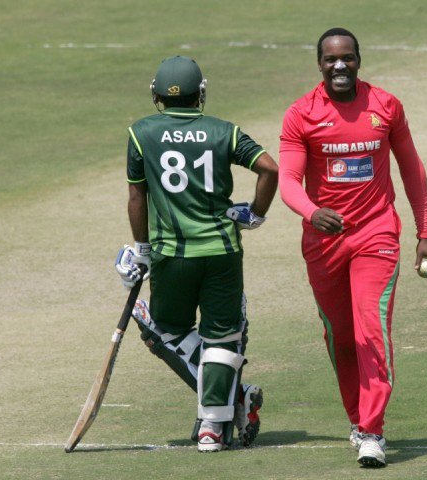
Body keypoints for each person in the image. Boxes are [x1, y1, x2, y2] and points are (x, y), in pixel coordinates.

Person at [279, 28, 427, 467]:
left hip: (377, 234)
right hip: (324, 242)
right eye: (330, 59)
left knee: (371, 328)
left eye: (347, 58)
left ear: (358, 61)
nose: (339, 66)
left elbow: (412, 169)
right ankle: (356, 419)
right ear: (319, 64)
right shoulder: (301, 114)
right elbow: (289, 181)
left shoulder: (385, 106)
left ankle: (373, 431)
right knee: (341, 337)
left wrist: (424, 234)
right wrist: (313, 213)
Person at [115, 55, 278, 452]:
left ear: (155, 95)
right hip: (223, 250)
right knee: (223, 335)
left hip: (172, 255)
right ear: (200, 93)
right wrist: (254, 215)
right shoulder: (224, 131)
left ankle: (225, 407)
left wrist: (140, 250)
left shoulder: (141, 133)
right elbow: (270, 169)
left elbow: (137, 196)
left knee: (161, 328)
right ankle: (216, 423)